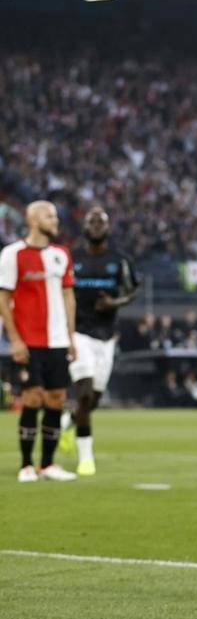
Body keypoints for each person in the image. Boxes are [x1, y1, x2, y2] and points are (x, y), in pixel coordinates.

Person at [0, 201, 78, 482]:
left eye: (55, 215)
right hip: (29, 340)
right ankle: (26, 465)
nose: (55, 220)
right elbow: (3, 299)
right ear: (33, 220)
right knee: (32, 397)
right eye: (49, 215)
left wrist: (70, 337)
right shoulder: (13, 254)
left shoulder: (61, 254)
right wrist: (14, 340)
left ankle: (48, 464)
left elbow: (68, 296)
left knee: (56, 399)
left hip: (57, 341)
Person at [60, 206, 139, 475]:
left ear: (107, 228)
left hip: (106, 337)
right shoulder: (71, 258)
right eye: (91, 221)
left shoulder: (120, 260)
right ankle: (86, 458)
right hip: (78, 333)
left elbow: (134, 290)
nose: (96, 225)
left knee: (92, 400)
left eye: (101, 222)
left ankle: (68, 422)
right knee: (83, 394)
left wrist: (115, 302)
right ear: (84, 227)